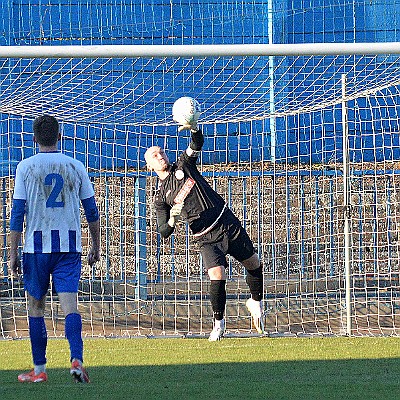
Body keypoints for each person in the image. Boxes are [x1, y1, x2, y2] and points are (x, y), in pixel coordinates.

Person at [144, 120, 264, 341]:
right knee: (217, 275)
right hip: (206, 237)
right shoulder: (161, 198)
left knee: (254, 264)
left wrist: (194, 127)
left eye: (161, 152)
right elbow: (163, 231)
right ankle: (219, 324)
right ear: (149, 167)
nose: (160, 156)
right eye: (154, 156)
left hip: (227, 223)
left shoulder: (183, 166)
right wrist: (172, 220)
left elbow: (197, 142)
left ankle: (255, 302)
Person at [9, 115, 101, 383]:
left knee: (35, 308)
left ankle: (39, 371)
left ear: (34, 138)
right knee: (70, 305)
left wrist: (11, 252)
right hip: (69, 246)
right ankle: (76, 359)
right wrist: (96, 244)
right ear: (60, 136)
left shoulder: (25, 167)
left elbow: (17, 214)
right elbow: (91, 211)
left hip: (35, 249)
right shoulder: (75, 166)